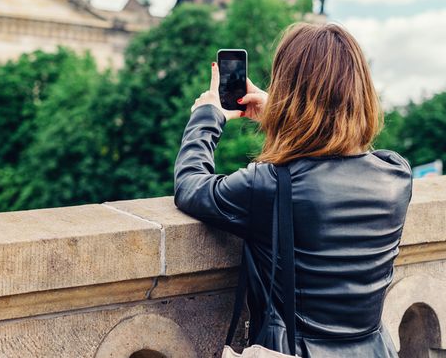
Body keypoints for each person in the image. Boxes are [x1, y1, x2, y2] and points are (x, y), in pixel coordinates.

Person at [174, 22, 412, 357]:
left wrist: (206, 117)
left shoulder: (271, 185)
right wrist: (285, 115)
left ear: (290, 92)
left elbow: (190, 185)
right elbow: (349, 150)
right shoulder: (396, 175)